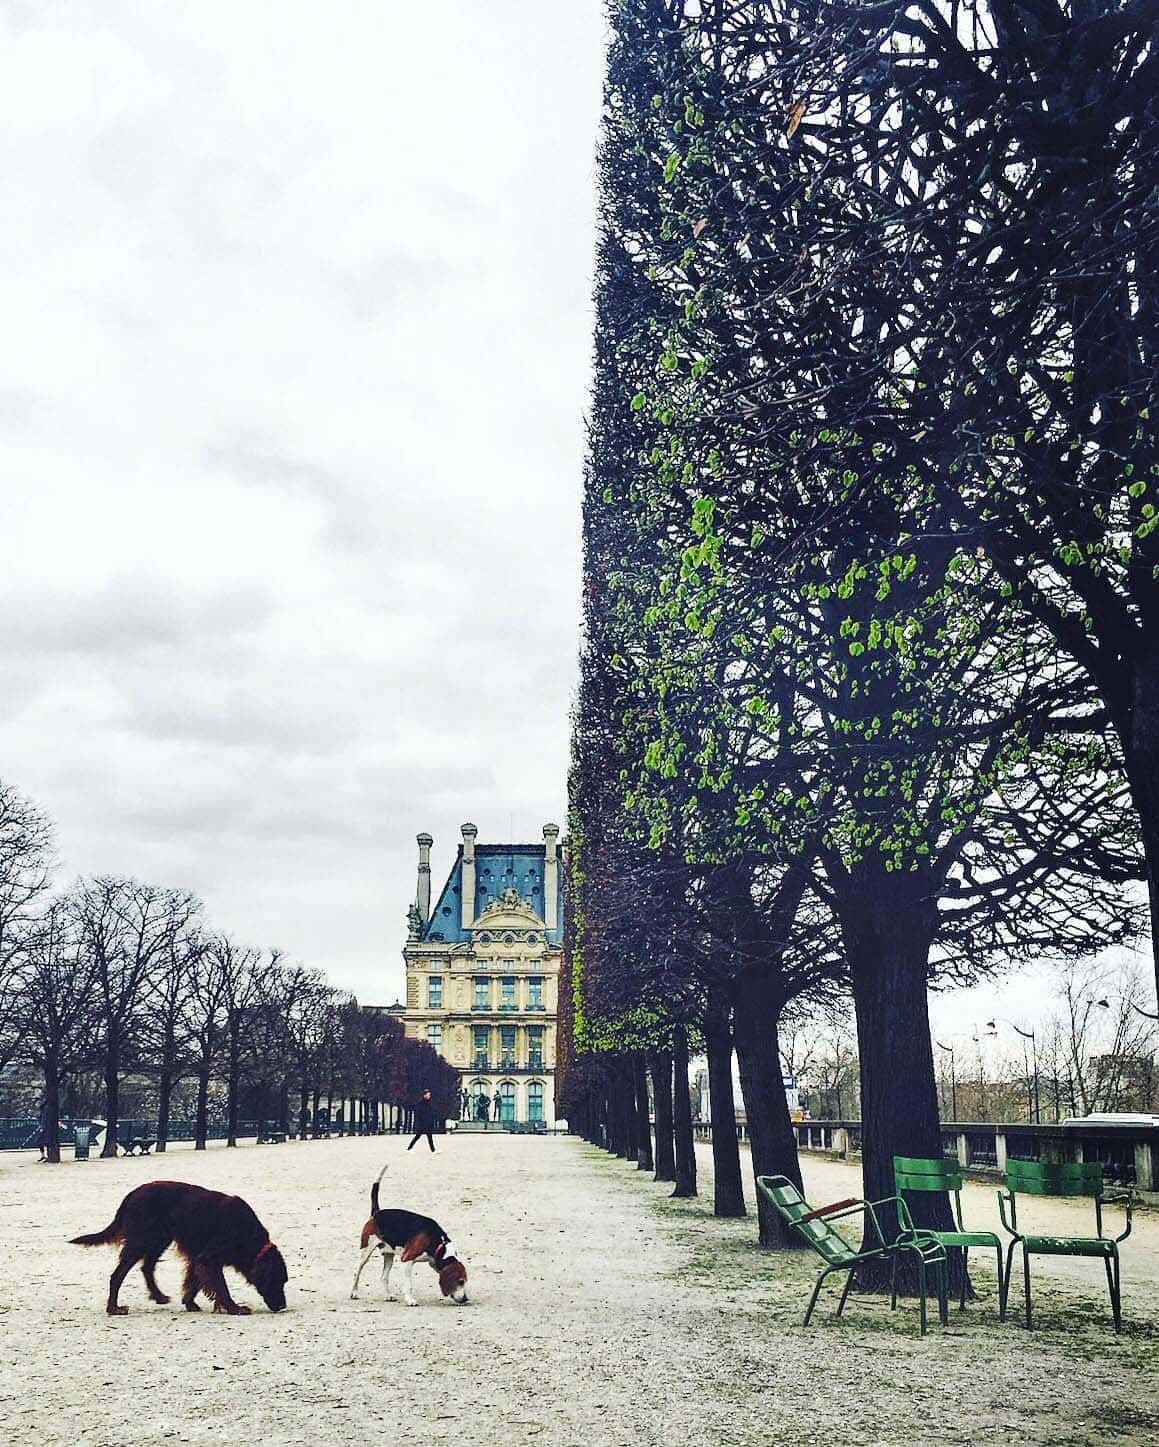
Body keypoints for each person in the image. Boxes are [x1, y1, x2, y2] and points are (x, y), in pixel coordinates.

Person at [407, 1088, 437, 1153]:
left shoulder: (428, 1103)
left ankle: (433, 1150)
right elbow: (419, 1114)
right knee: (418, 1136)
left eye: (429, 1095)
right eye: (428, 1095)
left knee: (429, 1137)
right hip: (422, 1124)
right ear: (424, 1095)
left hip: (426, 1123)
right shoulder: (421, 1104)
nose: (429, 1096)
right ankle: (409, 1148)